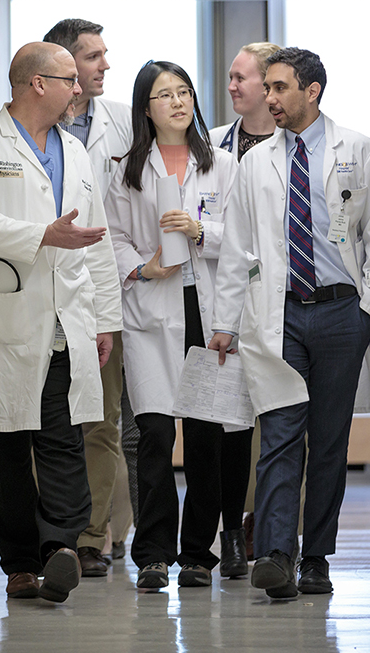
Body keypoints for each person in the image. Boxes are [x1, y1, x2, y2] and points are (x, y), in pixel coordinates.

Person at [208, 47, 370, 599]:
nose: (269, 99)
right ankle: (277, 553)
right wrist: (226, 322)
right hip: (278, 316)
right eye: (267, 89)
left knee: (328, 441)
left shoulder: (359, 150)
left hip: (341, 314)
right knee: (278, 436)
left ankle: (317, 557)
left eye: (279, 88)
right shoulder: (257, 163)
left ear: (312, 91)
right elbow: (237, 248)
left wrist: (368, 311)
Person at [0, 41, 123, 603]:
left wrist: (104, 319)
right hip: (4, 320)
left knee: (64, 438)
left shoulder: (76, 151)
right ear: (37, 84)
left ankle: (60, 549)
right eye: (70, 78)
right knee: (2, 452)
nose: (81, 88)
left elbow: (95, 242)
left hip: (66, 319)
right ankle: (21, 563)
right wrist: (41, 234)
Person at [103, 60, 237, 590]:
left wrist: (201, 231)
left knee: (205, 435)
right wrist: (142, 267)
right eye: (165, 95)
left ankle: (199, 554)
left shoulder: (222, 165)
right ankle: (153, 553)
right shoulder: (127, 169)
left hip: (206, 312)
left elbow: (246, 242)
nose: (178, 102)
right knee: (154, 435)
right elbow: (110, 237)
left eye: (184, 92)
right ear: (146, 108)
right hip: (151, 311)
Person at [42, 18, 133, 576]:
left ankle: (92, 536)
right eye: (94, 56)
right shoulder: (33, 131)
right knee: (47, 423)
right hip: (42, 293)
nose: (104, 65)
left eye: (104, 54)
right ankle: (53, 536)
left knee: (101, 422)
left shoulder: (122, 124)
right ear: (66, 67)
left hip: (104, 291)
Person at [207, 41, 281, 578]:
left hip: (281, 305)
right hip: (229, 302)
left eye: (242, 78)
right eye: (230, 78)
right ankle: (231, 533)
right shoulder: (212, 148)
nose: (232, 86)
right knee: (232, 426)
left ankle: (274, 530)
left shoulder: (294, 146)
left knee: (281, 426)